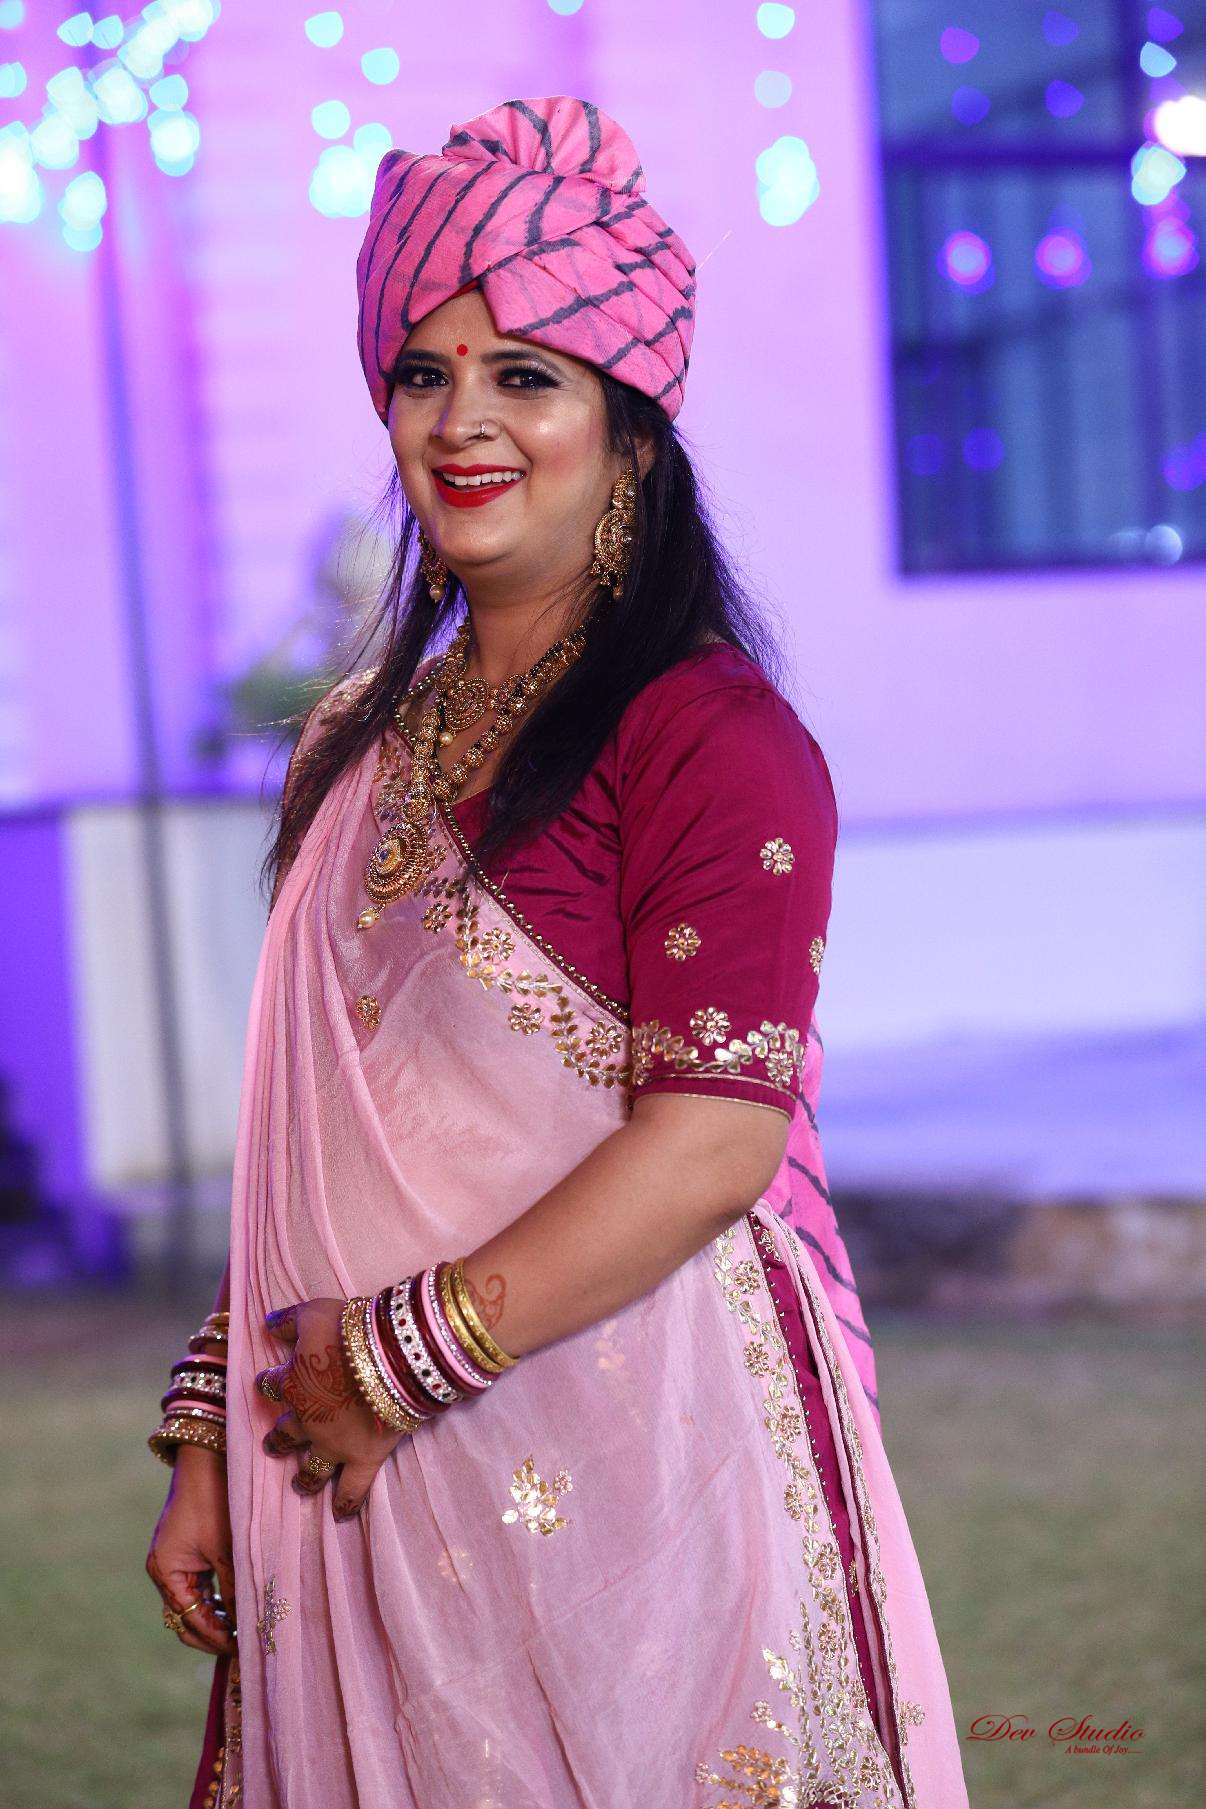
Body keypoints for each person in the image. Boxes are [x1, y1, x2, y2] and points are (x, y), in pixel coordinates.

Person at [144, 95, 970, 1809]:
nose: (463, 421)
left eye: (524, 375)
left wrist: (396, 1360)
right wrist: (220, 1425)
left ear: (630, 431)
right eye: (421, 372)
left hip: (635, 1457)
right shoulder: (351, 747)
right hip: (346, 1454)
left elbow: (714, 1141)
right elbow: (312, 1142)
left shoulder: (705, 735)